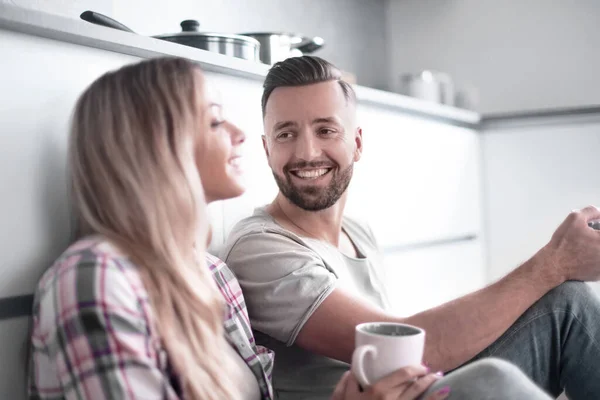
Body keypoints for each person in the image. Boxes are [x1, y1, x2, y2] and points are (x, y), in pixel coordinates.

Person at [26, 56, 460, 400]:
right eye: (215, 120)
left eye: (325, 129)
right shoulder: (96, 278)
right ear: (155, 145)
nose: (239, 134)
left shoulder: (214, 278)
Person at [220, 55, 600, 400]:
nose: (306, 153)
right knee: (494, 379)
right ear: (267, 149)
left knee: (569, 304)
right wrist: (554, 262)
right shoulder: (260, 247)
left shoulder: (357, 231)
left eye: (325, 130)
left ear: (357, 143)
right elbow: (415, 346)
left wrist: (559, 269)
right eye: (286, 134)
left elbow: (406, 357)